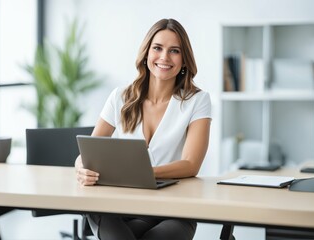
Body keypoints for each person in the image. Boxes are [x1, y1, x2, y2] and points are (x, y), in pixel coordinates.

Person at [75, 18, 212, 240]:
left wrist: (142, 174)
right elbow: (88, 153)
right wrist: (80, 167)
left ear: (184, 59)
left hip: (174, 210)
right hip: (118, 207)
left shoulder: (198, 101)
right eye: (157, 48)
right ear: (146, 53)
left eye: (174, 51)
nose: (164, 57)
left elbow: (191, 164)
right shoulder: (120, 97)